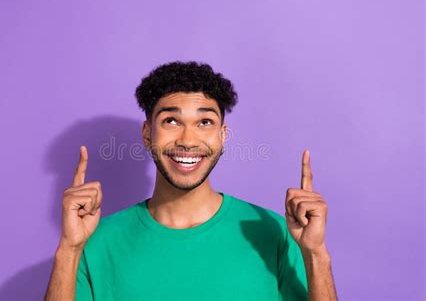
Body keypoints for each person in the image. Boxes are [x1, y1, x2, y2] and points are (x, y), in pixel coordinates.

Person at [44, 61, 338, 301]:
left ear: (222, 136)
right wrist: (68, 250)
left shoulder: (275, 232)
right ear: (147, 134)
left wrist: (316, 254)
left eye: (204, 122)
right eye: (171, 121)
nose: (187, 140)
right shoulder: (94, 242)